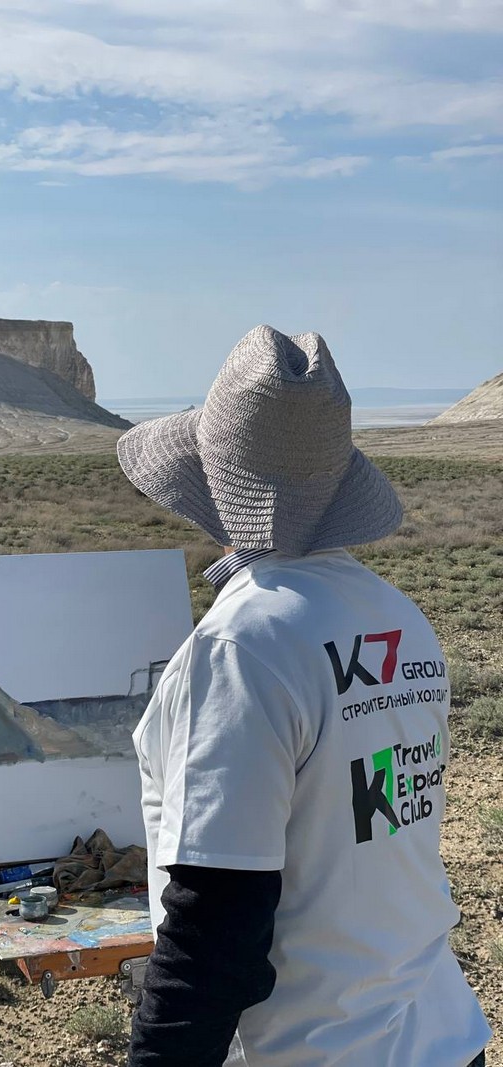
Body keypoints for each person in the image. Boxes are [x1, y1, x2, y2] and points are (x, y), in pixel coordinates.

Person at [117, 325, 490, 1067]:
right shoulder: (398, 617)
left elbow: (215, 929)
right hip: (440, 1036)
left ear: (212, 486)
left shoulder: (241, 648)